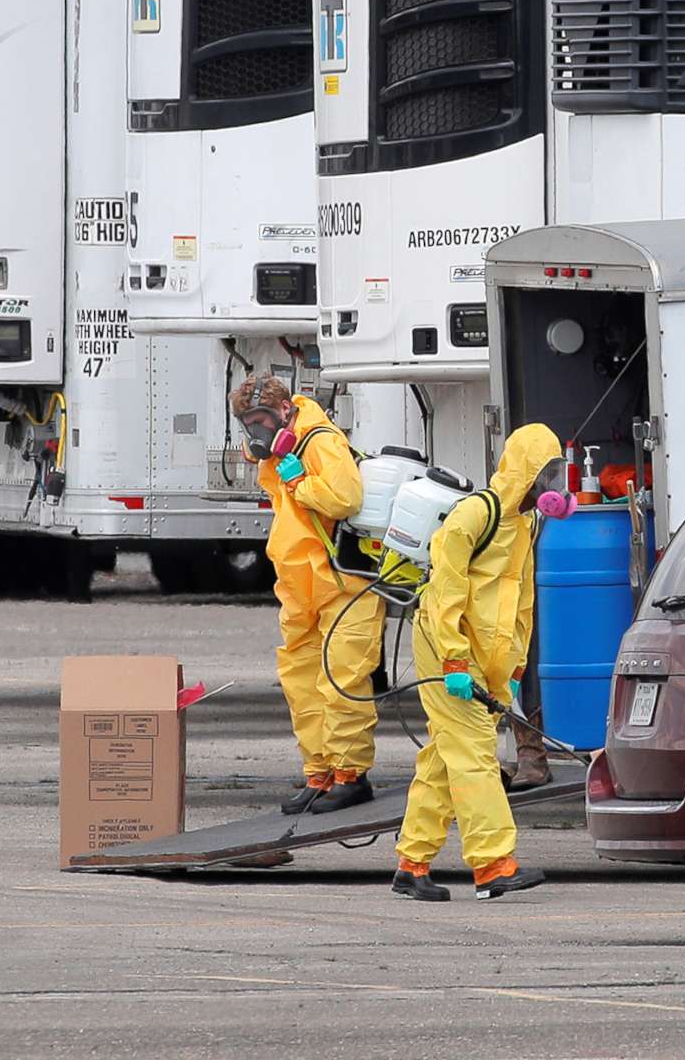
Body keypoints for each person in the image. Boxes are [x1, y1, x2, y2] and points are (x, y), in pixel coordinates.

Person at [391, 423, 569, 903]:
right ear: (525, 473)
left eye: (557, 473)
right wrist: (453, 660)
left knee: (445, 755)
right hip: (445, 647)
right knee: (474, 755)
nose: (554, 485)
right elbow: (446, 592)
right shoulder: (476, 515)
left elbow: (522, 600)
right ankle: (493, 866)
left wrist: (511, 670)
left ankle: (412, 863)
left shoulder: (527, 523)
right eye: (547, 474)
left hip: (484, 656)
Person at [230, 374, 382, 815]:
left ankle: (351, 775)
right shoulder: (282, 449)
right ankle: (320, 773)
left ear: (284, 412)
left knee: (343, 677)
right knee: (301, 680)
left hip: (343, 580)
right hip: (301, 583)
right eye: (247, 423)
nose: (255, 431)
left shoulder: (319, 441)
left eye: (260, 420)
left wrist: (300, 483)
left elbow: (346, 499)